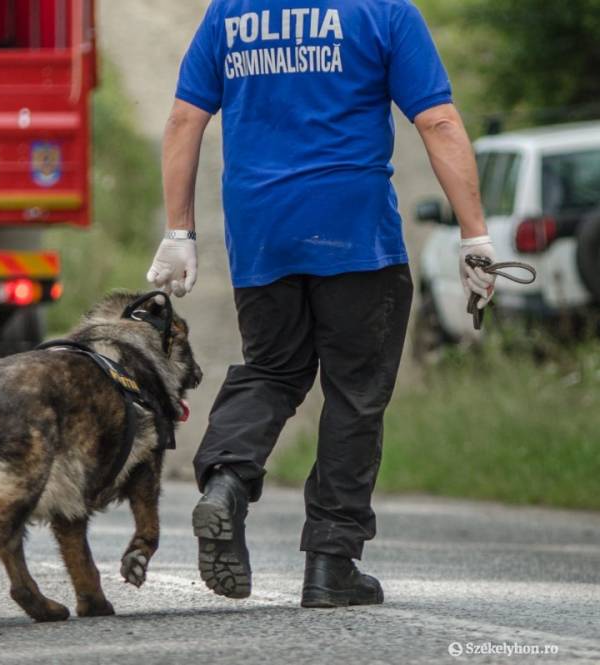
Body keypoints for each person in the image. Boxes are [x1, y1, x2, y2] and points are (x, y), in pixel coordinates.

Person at [147, 0, 496, 606]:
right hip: (356, 235)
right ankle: (331, 566)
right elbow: (436, 123)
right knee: (355, 395)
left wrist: (180, 232)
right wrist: (475, 236)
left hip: (262, 234)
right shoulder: (385, 12)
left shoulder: (231, 13)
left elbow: (184, 120)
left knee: (273, 370)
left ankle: (227, 480)